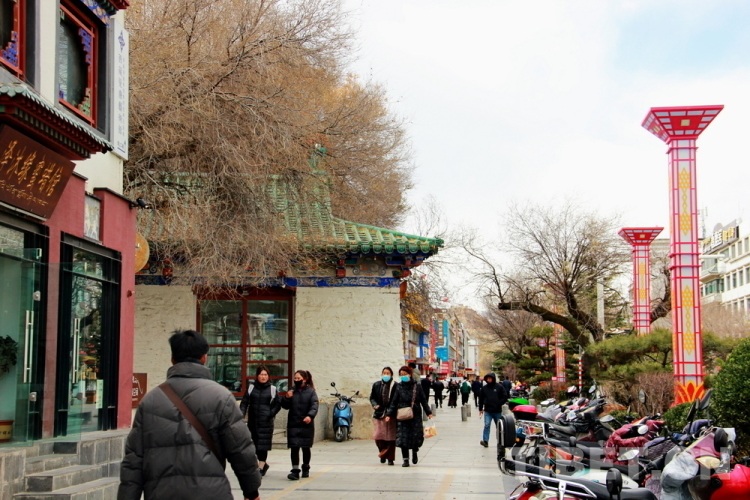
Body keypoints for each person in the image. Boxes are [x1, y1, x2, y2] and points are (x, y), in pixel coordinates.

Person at [119, 329, 261, 500]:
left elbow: (133, 461)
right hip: (211, 494)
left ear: (172, 359)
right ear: (204, 358)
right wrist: (251, 491)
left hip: (161, 493)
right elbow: (241, 451)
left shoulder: (150, 401)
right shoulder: (221, 397)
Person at [386, 365, 433, 467]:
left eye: (405, 374)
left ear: (410, 374)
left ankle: (415, 451)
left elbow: (423, 400)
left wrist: (428, 412)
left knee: (415, 436)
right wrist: (389, 414)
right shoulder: (398, 386)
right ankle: (405, 460)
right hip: (402, 414)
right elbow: (394, 401)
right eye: (401, 375)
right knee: (403, 437)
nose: (403, 376)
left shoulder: (417, 386)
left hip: (415, 414)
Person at [240, 365, 281, 477]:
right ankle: (263, 464)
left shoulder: (272, 389)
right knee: (253, 445)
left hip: (266, 422)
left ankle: (261, 466)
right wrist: (241, 415)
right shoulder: (251, 388)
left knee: (263, 445)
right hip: (253, 421)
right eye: (261, 374)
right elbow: (244, 402)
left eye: (265, 375)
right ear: (257, 376)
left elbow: (277, 404)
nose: (263, 377)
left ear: (268, 376)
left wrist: (270, 413)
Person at [280, 370, 319, 480]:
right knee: (294, 447)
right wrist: (286, 397)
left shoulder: (311, 392)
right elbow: (284, 406)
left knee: (305, 447)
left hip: (306, 424)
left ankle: (305, 467)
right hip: (293, 423)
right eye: (295, 378)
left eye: (298, 378)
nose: (296, 380)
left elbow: (314, 405)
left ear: (304, 379)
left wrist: (310, 416)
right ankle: (295, 471)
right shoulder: (292, 390)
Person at [370, 366, 397, 466]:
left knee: (390, 437)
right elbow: (372, 397)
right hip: (379, 413)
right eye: (384, 373)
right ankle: (382, 452)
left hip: (391, 414)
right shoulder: (377, 385)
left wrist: (391, 412)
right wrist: (375, 405)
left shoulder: (395, 385)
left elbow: (396, 400)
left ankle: (390, 458)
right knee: (378, 436)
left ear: (391, 375)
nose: (386, 375)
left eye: (388, 373)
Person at [478, 372, 508, 448]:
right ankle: (485, 441)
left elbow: (504, 396)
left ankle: (500, 441)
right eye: (487, 379)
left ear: (493, 379)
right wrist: (480, 409)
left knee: (499, 426)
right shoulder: (484, 388)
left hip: (497, 411)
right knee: (487, 425)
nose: (488, 380)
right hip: (488, 410)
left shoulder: (499, 387)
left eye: (490, 378)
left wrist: (499, 403)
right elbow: (481, 399)